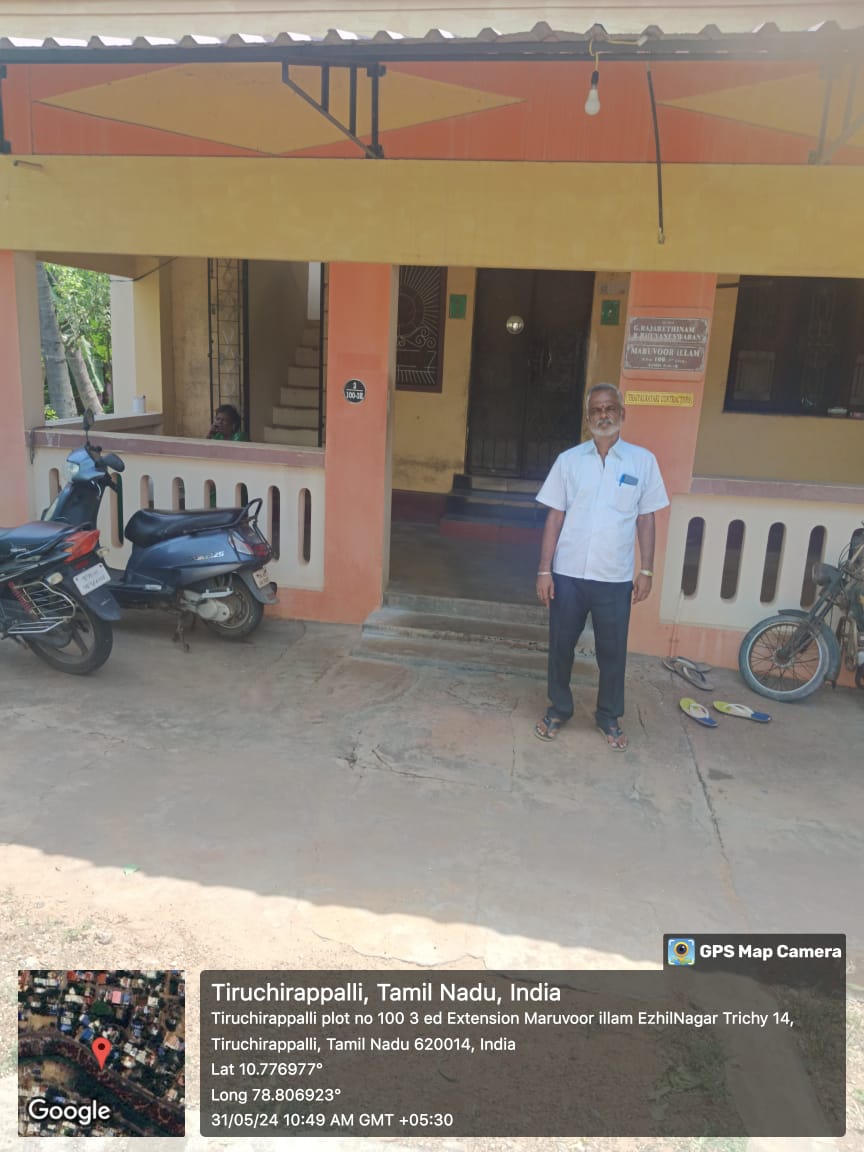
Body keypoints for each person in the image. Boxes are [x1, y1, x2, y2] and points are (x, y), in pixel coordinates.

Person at [533, 383, 669, 751]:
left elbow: (646, 518)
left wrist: (647, 570)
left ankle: (608, 715)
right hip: (568, 574)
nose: (604, 415)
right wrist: (544, 570)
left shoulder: (643, 462)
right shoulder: (569, 461)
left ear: (622, 414)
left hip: (614, 577)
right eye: (596, 409)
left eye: (610, 408)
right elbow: (555, 516)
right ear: (588, 417)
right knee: (561, 646)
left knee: (612, 651)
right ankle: (559, 708)